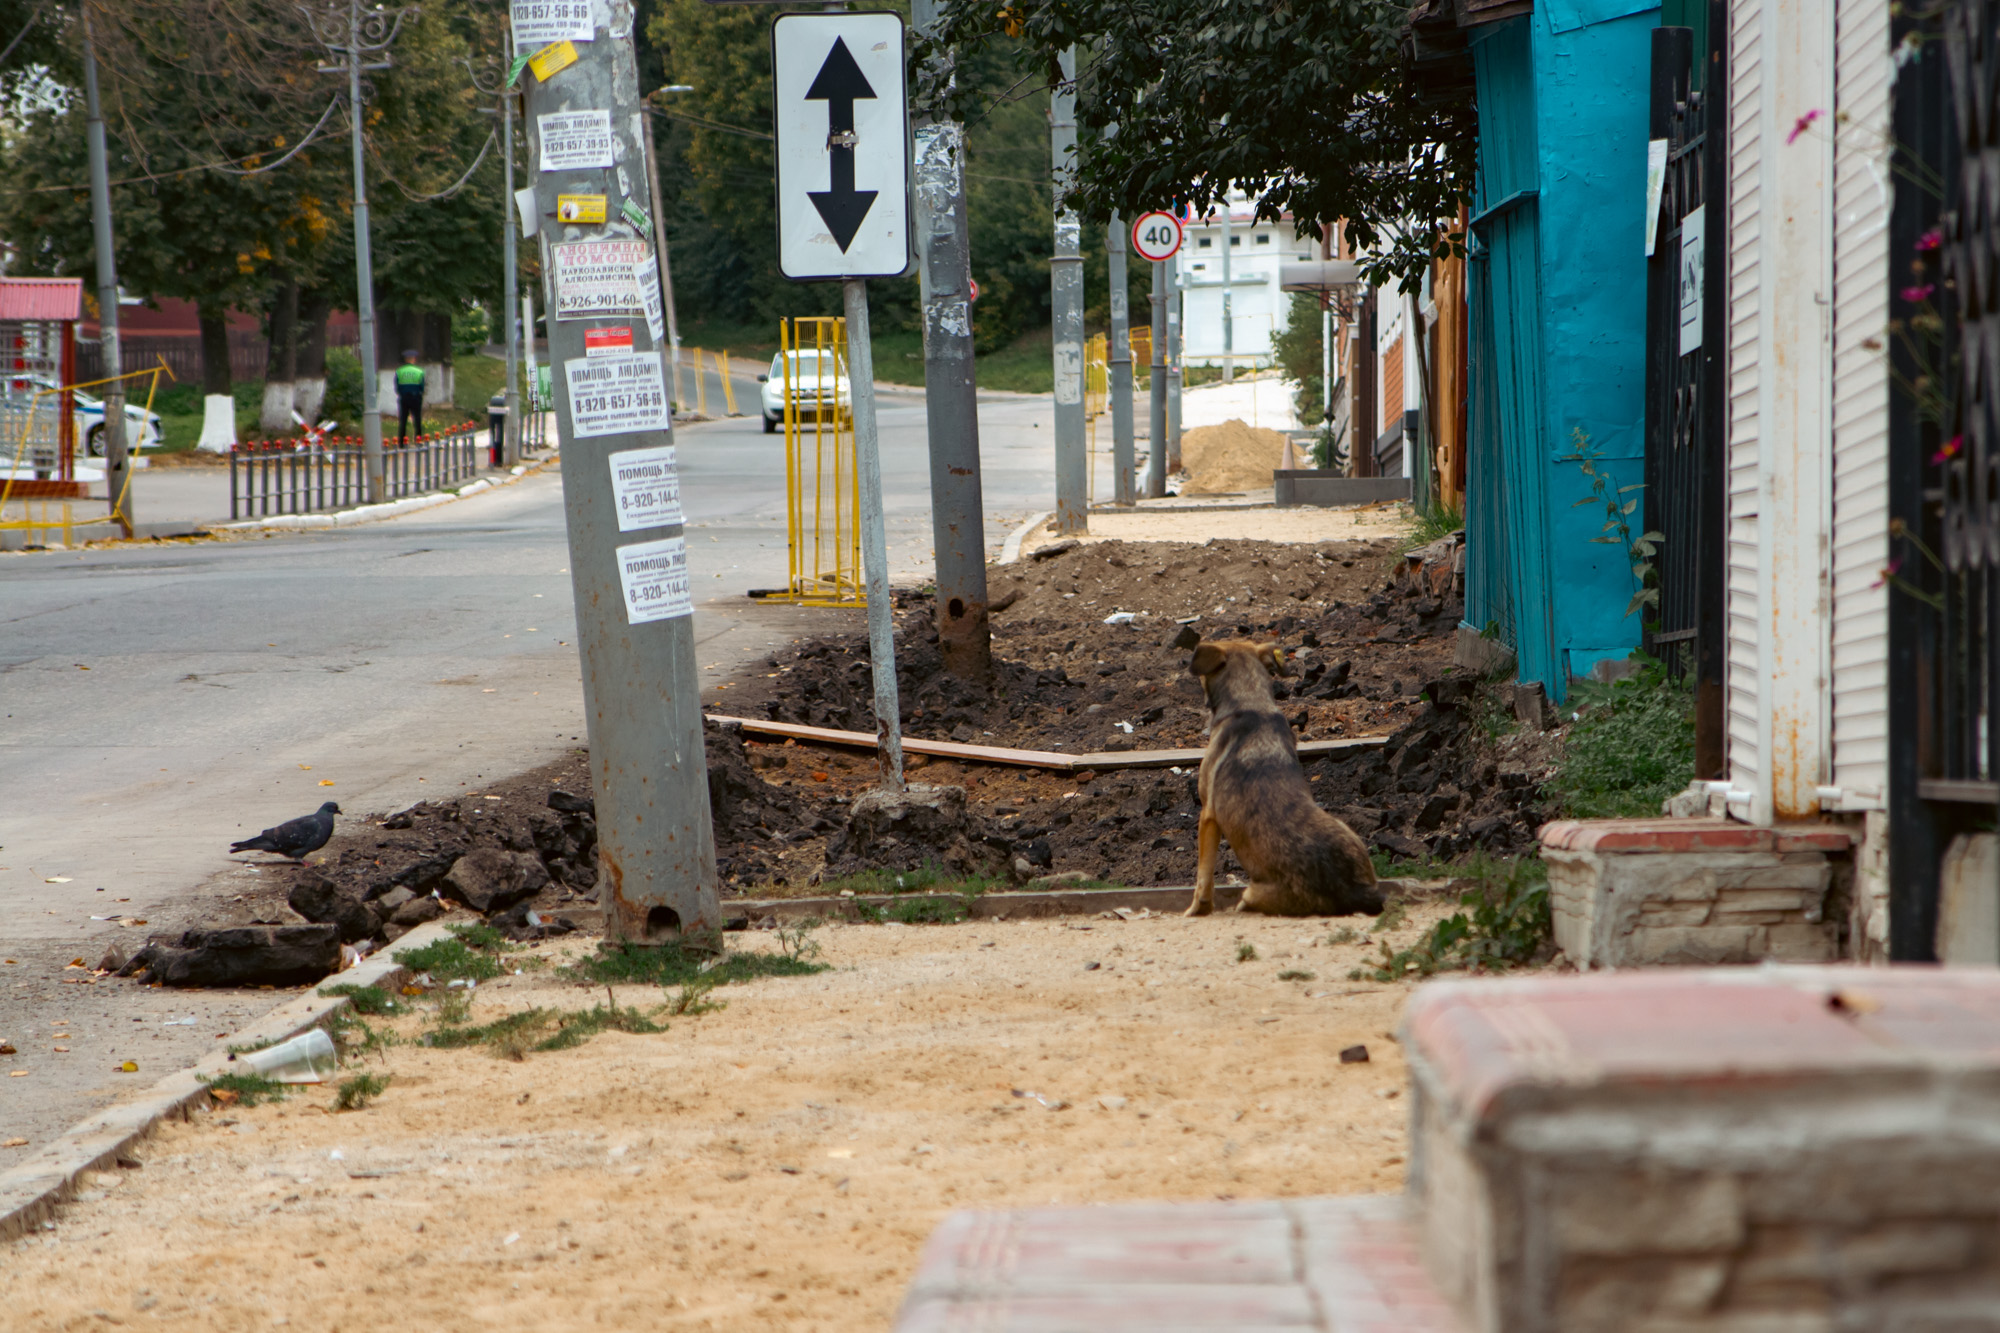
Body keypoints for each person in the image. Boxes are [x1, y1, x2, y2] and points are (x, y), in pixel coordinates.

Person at [395, 350, 426, 444]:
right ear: (414, 359)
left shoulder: (399, 371)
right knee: (417, 419)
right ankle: (418, 440)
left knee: (403, 420)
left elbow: (397, 386)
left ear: (405, 359)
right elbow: (422, 386)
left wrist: (402, 393)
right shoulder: (420, 371)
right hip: (416, 397)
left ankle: (401, 442)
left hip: (404, 398)